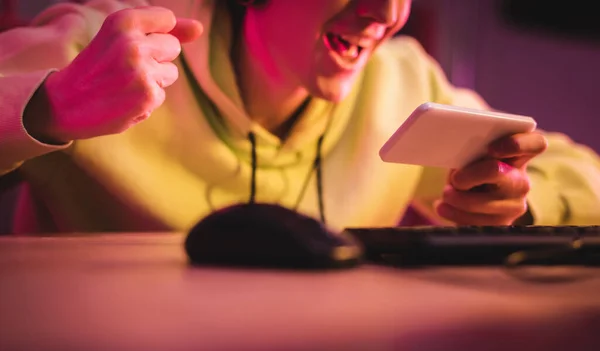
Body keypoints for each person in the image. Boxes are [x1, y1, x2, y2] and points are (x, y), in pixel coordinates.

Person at [0, 0, 598, 234]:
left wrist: (521, 200)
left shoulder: (400, 78)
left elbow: (581, 172)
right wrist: (51, 106)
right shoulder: (109, 46)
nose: (384, 13)